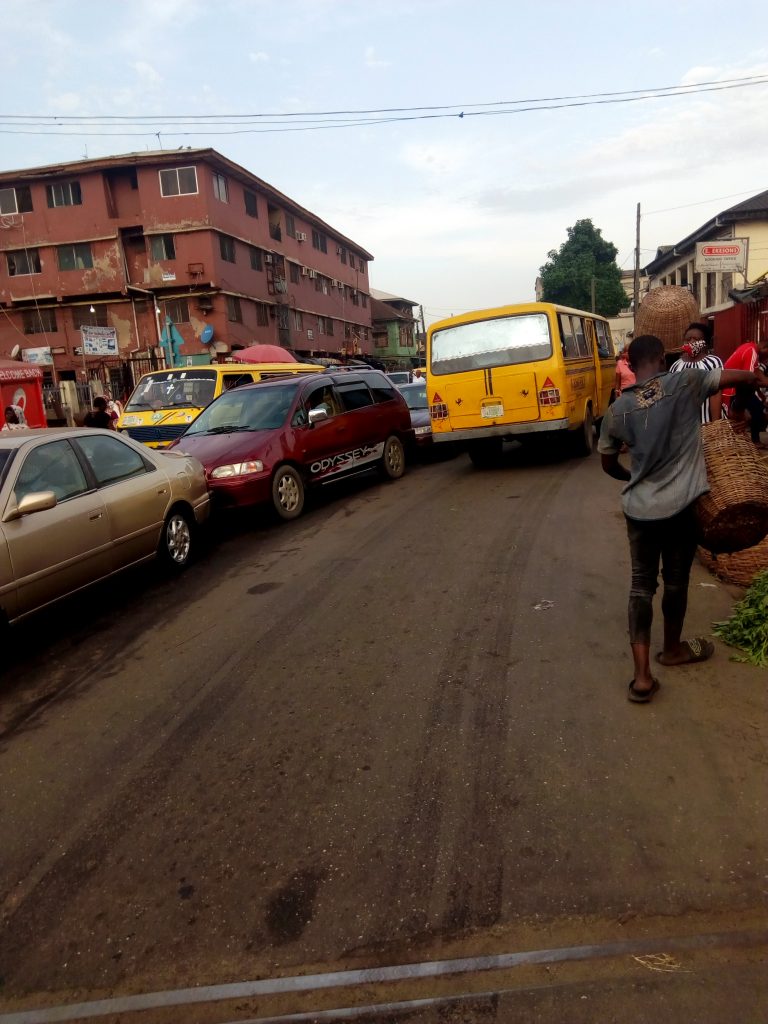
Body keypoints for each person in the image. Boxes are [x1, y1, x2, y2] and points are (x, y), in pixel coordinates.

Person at [597, 334, 768, 703]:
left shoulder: (618, 410)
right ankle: (672, 650)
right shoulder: (684, 383)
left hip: (640, 511)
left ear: (632, 362)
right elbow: (728, 376)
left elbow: (608, 463)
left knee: (641, 586)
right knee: (675, 582)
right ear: (660, 358)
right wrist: (757, 379)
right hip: (680, 507)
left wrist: (634, 480)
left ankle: (642, 677)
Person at [668, 322, 723, 423]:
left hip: (707, 423)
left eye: (696, 339)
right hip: (684, 426)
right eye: (688, 339)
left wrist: (715, 424)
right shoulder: (675, 366)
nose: (691, 342)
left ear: (704, 343)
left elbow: (715, 394)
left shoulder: (713, 362)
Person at [722, 339, 768, 445]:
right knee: (755, 410)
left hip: (735, 387)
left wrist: (761, 394)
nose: (766, 358)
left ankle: (751, 439)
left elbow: (756, 378)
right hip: (731, 389)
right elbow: (749, 379)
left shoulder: (748, 347)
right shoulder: (752, 351)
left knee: (756, 408)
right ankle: (753, 440)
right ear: (764, 348)